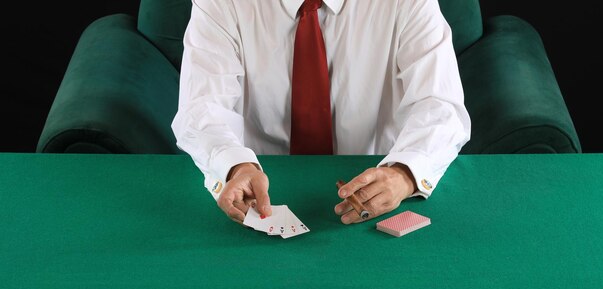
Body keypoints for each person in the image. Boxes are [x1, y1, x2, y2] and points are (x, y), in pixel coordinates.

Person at [171, 0, 471, 225]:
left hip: (372, 175)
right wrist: (235, 167)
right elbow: (201, 108)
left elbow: (440, 105)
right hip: (260, 179)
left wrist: (404, 173)